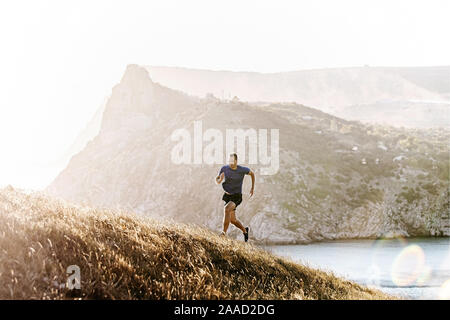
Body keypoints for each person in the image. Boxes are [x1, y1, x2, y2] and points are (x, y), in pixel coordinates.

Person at [214, 153, 255, 242]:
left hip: (237, 196)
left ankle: (223, 233)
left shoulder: (242, 170)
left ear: (236, 161)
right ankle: (245, 230)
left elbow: (252, 174)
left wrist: (252, 188)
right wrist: (218, 180)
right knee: (233, 220)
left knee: (227, 209)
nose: (230, 163)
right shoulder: (224, 168)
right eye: (229, 161)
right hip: (227, 196)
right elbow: (219, 179)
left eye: (232, 161)